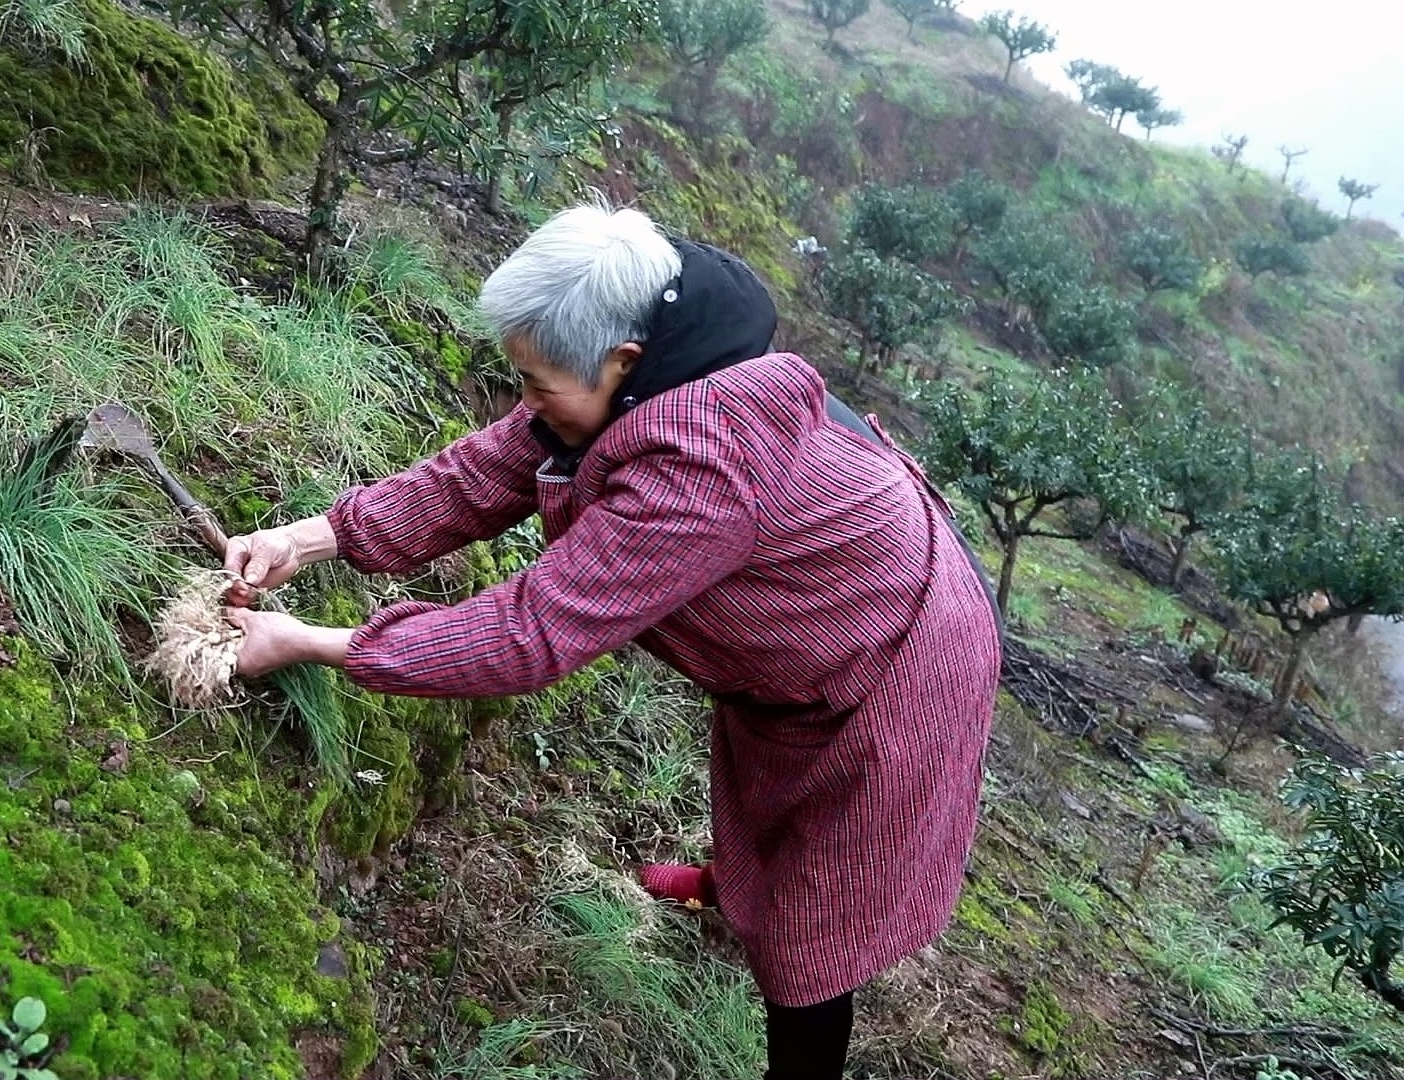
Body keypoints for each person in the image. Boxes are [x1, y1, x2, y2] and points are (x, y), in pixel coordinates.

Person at [223, 202, 1002, 1080]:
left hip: (900, 653)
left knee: (815, 912)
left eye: (538, 384)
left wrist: (316, 643)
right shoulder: (628, 375)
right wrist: (312, 537)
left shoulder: (702, 466)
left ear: (623, 362)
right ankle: (729, 890)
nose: (525, 404)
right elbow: (485, 472)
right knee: (763, 780)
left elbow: (532, 631)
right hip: (819, 610)